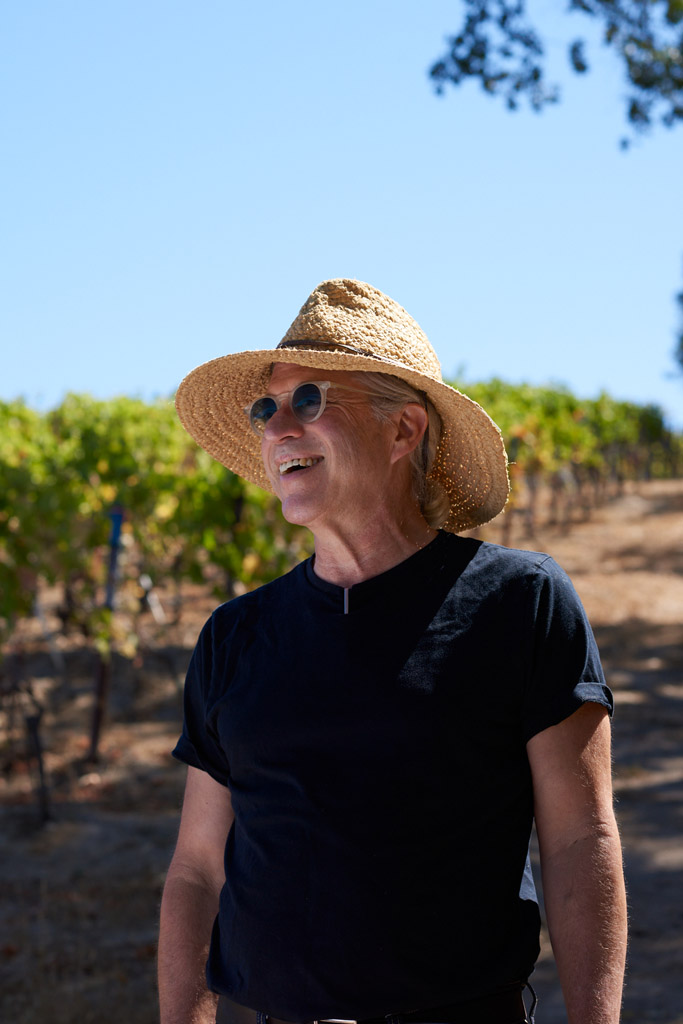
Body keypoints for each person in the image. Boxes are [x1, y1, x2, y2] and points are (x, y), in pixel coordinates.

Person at [158, 279, 627, 1024]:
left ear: (403, 429)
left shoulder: (520, 602)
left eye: (308, 398)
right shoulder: (234, 635)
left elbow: (579, 840)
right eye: (265, 409)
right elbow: (196, 870)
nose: (278, 428)